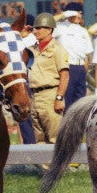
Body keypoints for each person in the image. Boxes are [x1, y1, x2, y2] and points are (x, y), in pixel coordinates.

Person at [25, 12, 69, 143]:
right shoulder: (31, 50)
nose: (35, 31)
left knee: (54, 138)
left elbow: (65, 75)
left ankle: (58, 164)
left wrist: (59, 98)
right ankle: (43, 164)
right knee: (39, 140)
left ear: (49, 29)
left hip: (50, 95)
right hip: (35, 96)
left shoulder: (57, 49)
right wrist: (22, 34)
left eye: (38, 28)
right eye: (34, 28)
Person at [53, 1, 93, 105]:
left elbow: (87, 54)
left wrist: (85, 70)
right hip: (68, 66)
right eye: (77, 13)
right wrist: (65, 14)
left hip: (80, 68)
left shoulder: (83, 31)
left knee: (80, 101)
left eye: (81, 13)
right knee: (68, 100)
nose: (79, 16)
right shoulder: (60, 27)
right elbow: (47, 23)